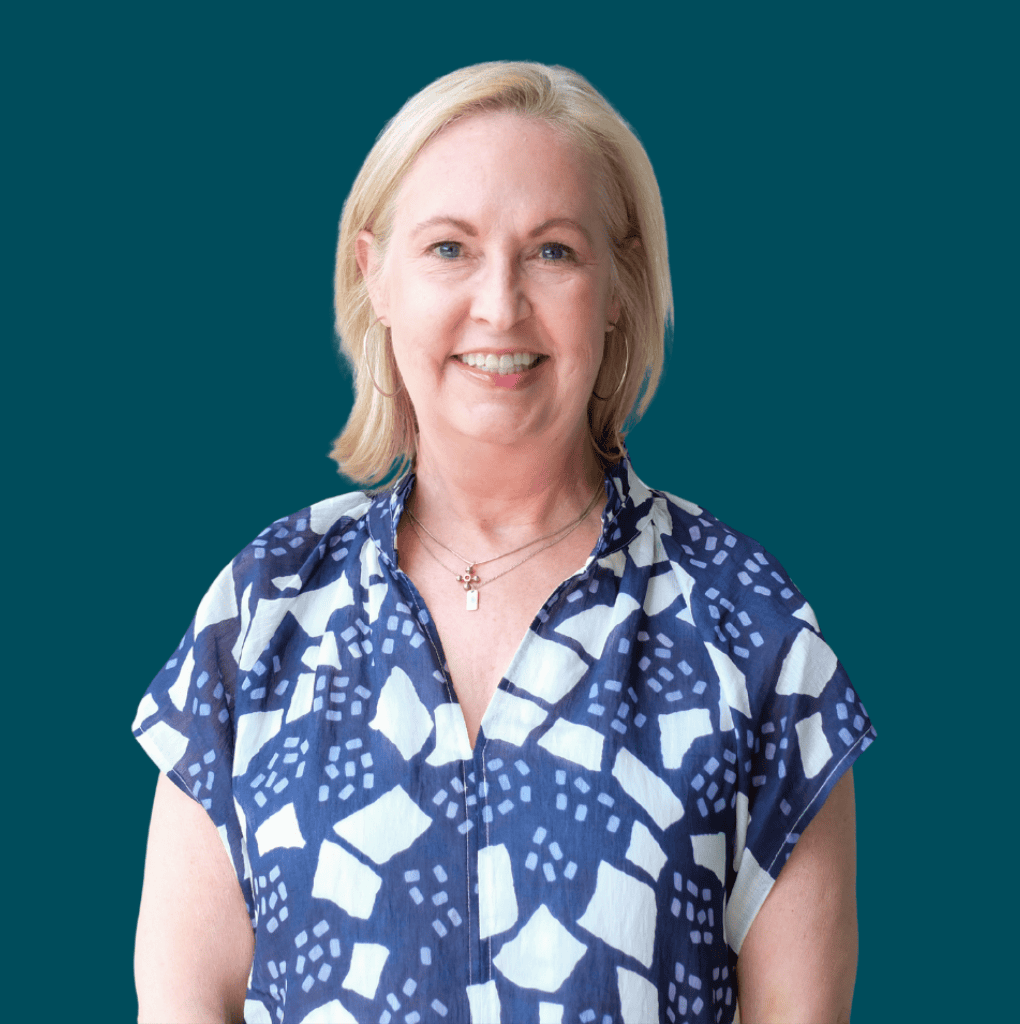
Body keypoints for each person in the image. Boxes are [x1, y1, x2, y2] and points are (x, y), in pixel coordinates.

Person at [133, 62, 874, 1024]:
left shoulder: (750, 632)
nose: (500, 305)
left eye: (553, 252)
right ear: (376, 276)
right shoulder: (263, 609)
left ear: (618, 286)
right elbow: (185, 1002)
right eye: (449, 248)